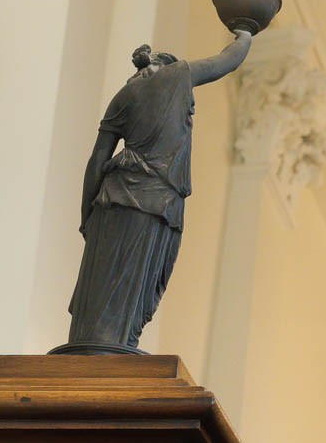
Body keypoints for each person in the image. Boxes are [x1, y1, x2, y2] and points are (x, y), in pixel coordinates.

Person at [57, 31, 253, 353]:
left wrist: (87, 216)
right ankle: (109, 357)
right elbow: (226, 61)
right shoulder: (178, 76)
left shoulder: (124, 93)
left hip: (115, 201)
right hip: (152, 205)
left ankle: (102, 352)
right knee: (134, 293)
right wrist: (246, 32)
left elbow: (96, 161)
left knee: (105, 290)